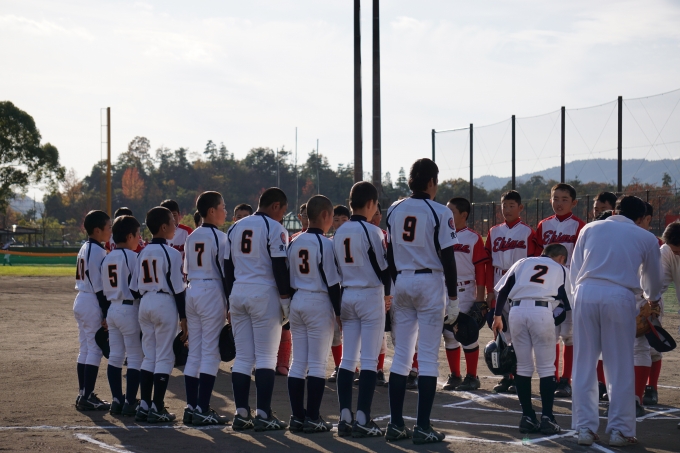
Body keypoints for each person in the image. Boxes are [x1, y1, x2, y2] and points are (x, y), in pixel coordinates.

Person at [571, 196, 661, 447]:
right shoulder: (646, 237)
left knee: (584, 363)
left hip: (585, 292)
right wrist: (652, 300)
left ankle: (584, 428)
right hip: (619, 296)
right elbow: (653, 280)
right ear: (641, 218)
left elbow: (574, 270)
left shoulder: (589, 228)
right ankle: (620, 430)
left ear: (614, 211)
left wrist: (577, 297)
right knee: (619, 365)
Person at [385, 158, 458, 444]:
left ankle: (395, 423)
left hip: (402, 279)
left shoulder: (394, 208)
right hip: (429, 281)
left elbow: (390, 253)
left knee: (402, 355)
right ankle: (423, 426)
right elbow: (448, 258)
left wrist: (398, 281)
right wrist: (454, 298)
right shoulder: (440, 211)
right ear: (431, 181)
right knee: (427, 357)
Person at [225, 188, 291, 431]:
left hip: (238, 291)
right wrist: (286, 300)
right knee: (266, 357)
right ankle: (263, 413)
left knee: (243, 357)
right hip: (264, 292)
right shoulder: (274, 228)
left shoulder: (235, 227)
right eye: (282, 211)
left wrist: (229, 299)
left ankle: (241, 413)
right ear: (275, 206)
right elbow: (279, 266)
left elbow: (227, 267)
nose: (282, 216)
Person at [492, 244, 572, 435]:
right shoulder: (561, 269)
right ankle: (547, 418)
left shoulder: (522, 262)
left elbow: (503, 290)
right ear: (561, 258)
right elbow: (568, 303)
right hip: (542, 311)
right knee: (546, 368)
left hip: (516, 311)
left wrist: (497, 316)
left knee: (523, 367)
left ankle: (527, 417)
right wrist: (558, 318)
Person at [333, 182, 392, 438]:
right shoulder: (373, 231)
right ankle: (363, 418)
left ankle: (345, 417)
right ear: (370, 204)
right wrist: (388, 293)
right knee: (368, 360)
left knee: (347, 359)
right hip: (369, 294)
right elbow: (383, 268)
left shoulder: (339, 232)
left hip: (347, 294)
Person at [287, 195, 342, 433]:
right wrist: (339, 312)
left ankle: (297, 416)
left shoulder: (294, 241)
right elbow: (333, 283)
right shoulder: (326, 244)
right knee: (318, 364)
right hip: (318, 301)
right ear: (325, 215)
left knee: (298, 362)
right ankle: (312, 417)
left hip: (297, 299)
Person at [131, 207, 188, 423]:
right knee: (164, 356)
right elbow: (178, 289)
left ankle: (145, 405)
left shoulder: (142, 252)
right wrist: (184, 317)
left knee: (149, 355)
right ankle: (157, 407)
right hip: (164, 302)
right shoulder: (171, 253)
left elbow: (134, 289)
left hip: (145, 302)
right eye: (172, 222)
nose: (175, 226)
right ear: (164, 227)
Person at [182, 192, 230, 426]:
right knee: (211, 352)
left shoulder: (191, 236)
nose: (225, 211)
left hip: (192, 289)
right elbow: (226, 272)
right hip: (211, 290)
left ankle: (192, 407)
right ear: (211, 211)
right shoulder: (220, 237)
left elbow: (186, 269)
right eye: (222, 207)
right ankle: (202, 408)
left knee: (195, 351)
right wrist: (230, 302)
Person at [485, 190, 540, 393]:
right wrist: (490, 291)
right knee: (501, 332)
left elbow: (534, 263)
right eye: (504, 205)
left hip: (518, 282)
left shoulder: (527, 232)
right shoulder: (494, 231)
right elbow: (489, 264)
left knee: (518, 332)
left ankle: (519, 377)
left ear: (520, 208)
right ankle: (507, 375)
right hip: (498, 281)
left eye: (511, 205)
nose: (507, 209)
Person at [535, 183, 585, 398]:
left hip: (570, 285)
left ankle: (566, 379)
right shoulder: (543, 225)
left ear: (574, 202)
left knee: (570, 336)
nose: (559, 203)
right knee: (550, 334)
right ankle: (552, 377)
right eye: (555, 198)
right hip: (548, 286)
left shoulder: (580, 226)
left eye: (565, 199)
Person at [442, 197, 488, 392]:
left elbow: (480, 270)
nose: (447, 214)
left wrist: (480, 298)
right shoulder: (441, 235)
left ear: (464, 215)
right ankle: (455, 375)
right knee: (449, 334)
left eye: (451, 211)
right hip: (444, 289)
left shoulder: (472, 237)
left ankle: (472, 376)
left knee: (467, 332)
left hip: (465, 289)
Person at [101, 215, 143, 417]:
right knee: (135, 356)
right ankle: (130, 402)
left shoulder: (107, 257)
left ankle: (117, 399)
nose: (139, 238)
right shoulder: (133, 257)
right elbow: (138, 287)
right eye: (138, 234)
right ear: (129, 236)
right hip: (129, 308)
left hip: (112, 309)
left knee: (116, 356)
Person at [74, 210, 112, 411]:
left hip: (82, 298)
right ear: (97, 230)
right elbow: (99, 287)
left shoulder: (85, 247)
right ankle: (87, 396)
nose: (110, 231)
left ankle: (83, 393)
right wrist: (106, 312)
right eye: (108, 227)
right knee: (94, 349)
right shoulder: (97, 251)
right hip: (91, 300)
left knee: (85, 348)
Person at [650, 222, 680, 413]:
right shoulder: (667, 251)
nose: (677, 254)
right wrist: (650, 301)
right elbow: (659, 283)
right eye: (676, 251)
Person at [276, 204, 308, 377]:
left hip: (308, 292)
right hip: (294, 290)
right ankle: (283, 362)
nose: (308, 218)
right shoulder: (292, 238)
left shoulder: (325, 239)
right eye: (305, 215)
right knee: (288, 327)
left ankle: (286, 363)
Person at [328, 204, 351, 382]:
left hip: (352, 287)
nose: (341, 223)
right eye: (336, 220)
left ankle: (374, 369)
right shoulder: (329, 242)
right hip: (335, 288)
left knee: (354, 331)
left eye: (344, 219)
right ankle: (339, 366)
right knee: (336, 331)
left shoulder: (357, 237)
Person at [370, 202, 389, 386]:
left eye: (377, 214)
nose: (374, 217)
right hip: (368, 289)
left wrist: (388, 293)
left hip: (383, 288)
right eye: (372, 213)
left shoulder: (385, 235)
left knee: (382, 334)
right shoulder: (364, 233)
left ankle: (379, 370)